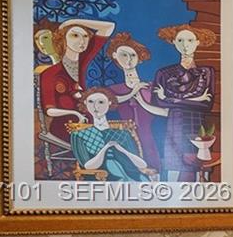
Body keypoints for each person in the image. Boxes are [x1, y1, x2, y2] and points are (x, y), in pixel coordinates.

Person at [152, 22, 217, 181]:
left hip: (198, 125)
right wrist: (195, 98)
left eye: (189, 40)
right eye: (180, 40)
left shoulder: (206, 72)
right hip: (174, 125)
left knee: (201, 167)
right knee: (173, 167)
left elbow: (206, 105)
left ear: (197, 42)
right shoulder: (164, 73)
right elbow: (157, 102)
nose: (185, 45)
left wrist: (169, 99)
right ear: (173, 42)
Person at [38, 17, 116, 147]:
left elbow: (108, 27)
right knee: (105, 144)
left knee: (117, 138)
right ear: (63, 39)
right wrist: (74, 113)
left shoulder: (83, 61)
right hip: (66, 127)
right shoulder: (50, 73)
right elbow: (49, 110)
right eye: (74, 35)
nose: (82, 41)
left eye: (85, 36)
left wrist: (71, 22)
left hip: (90, 124)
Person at [102, 32, 166, 169]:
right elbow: (109, 103)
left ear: (139, 59)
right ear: (115, 56)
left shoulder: (150, 86)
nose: (128, 59)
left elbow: (165, 112)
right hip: (125, 136)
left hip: (151, 134)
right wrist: (133, 92)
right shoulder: (114, 89)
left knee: (154, 163)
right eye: (124, 55)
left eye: (132, 55)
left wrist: (143, 102)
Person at [71, 91, 152, 182]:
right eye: (91, 102)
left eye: (101, 102)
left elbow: (142, 164)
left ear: (109, 103)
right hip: (101, 179)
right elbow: (88, 166)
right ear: (85, 103)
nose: (95, 106)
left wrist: (122, 150)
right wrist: (105, 149)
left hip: (131, 177)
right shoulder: (80, 135)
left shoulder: (123, 134)